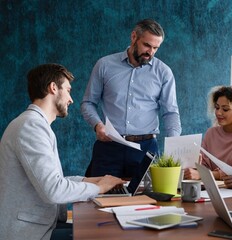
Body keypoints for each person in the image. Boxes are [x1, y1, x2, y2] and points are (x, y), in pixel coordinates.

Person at [0, 63, 125, 240]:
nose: (71, 99)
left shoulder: (33, 124)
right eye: (68, 90)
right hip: (29, 233)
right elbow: (54, 190)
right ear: (53, 88)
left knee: (99, 230)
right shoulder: (31, 127)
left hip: (43, 225)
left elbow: (52, 181)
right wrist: (99, 187)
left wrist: (91, 180)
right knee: (102, 234)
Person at [81, 19, 181, 178]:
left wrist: (175, 147)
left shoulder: (164, 72)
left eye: (156, 48)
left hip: (145, 150)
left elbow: (171, 113)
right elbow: (88, 103)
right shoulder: (104, 65)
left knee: (147, 200)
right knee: (100, 197)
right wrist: (97, 125)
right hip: (109, 147)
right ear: (134, 37)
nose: (151, 52)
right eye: (147, 45)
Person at [184, 86, 232, 180]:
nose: (218, 113)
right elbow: (203, 166)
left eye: (225, 109)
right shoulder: (211, 133)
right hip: (217, 187)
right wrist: (196, 167)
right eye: (217, 108)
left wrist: (204, 174)